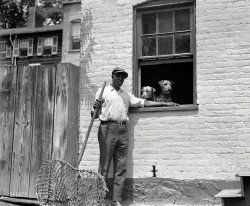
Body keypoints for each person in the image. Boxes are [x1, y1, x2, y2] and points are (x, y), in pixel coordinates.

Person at [92, 67, 176, 206]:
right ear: (112, 76)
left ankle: (116, 199)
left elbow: (144, 102)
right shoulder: (102, 92)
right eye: (118, 76)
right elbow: (94, 116)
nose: (120, 79)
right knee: (104, 165)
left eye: (123, 77)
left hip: (123, 129)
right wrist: (95, 106)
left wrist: (164, 103)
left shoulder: (126, 95)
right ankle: (98, 199)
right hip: (107, 128)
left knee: (121, 166)